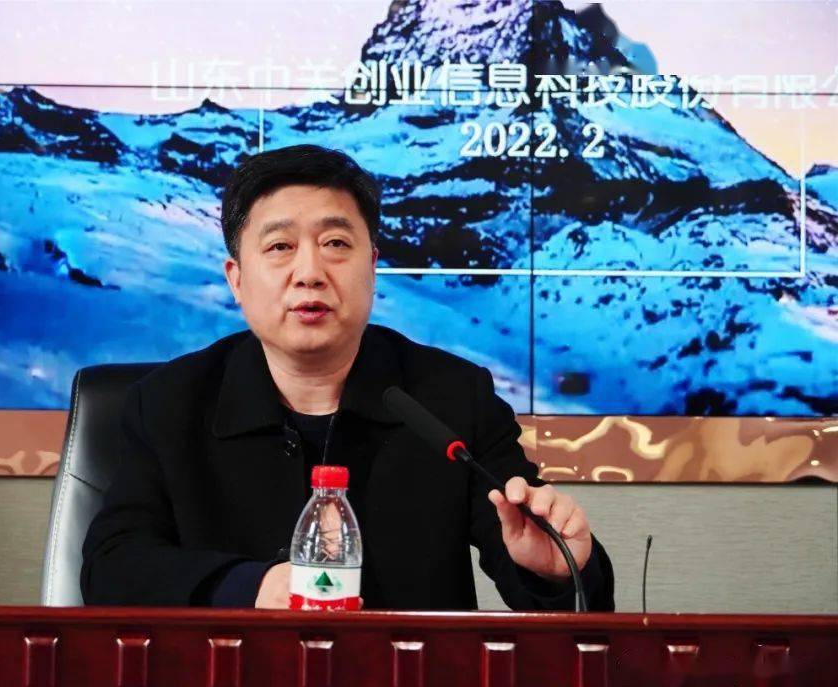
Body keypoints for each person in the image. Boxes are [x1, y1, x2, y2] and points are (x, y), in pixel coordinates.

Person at [80, 144, 614, 610]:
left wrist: (557, 569)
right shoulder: (169, 403)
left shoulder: (452, 398)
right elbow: (112, 567)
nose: (310, 272)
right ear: (236, 279)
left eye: (335, 243)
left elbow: (546, 570)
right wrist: (254, 588)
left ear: (372, 265)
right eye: (280, 247)